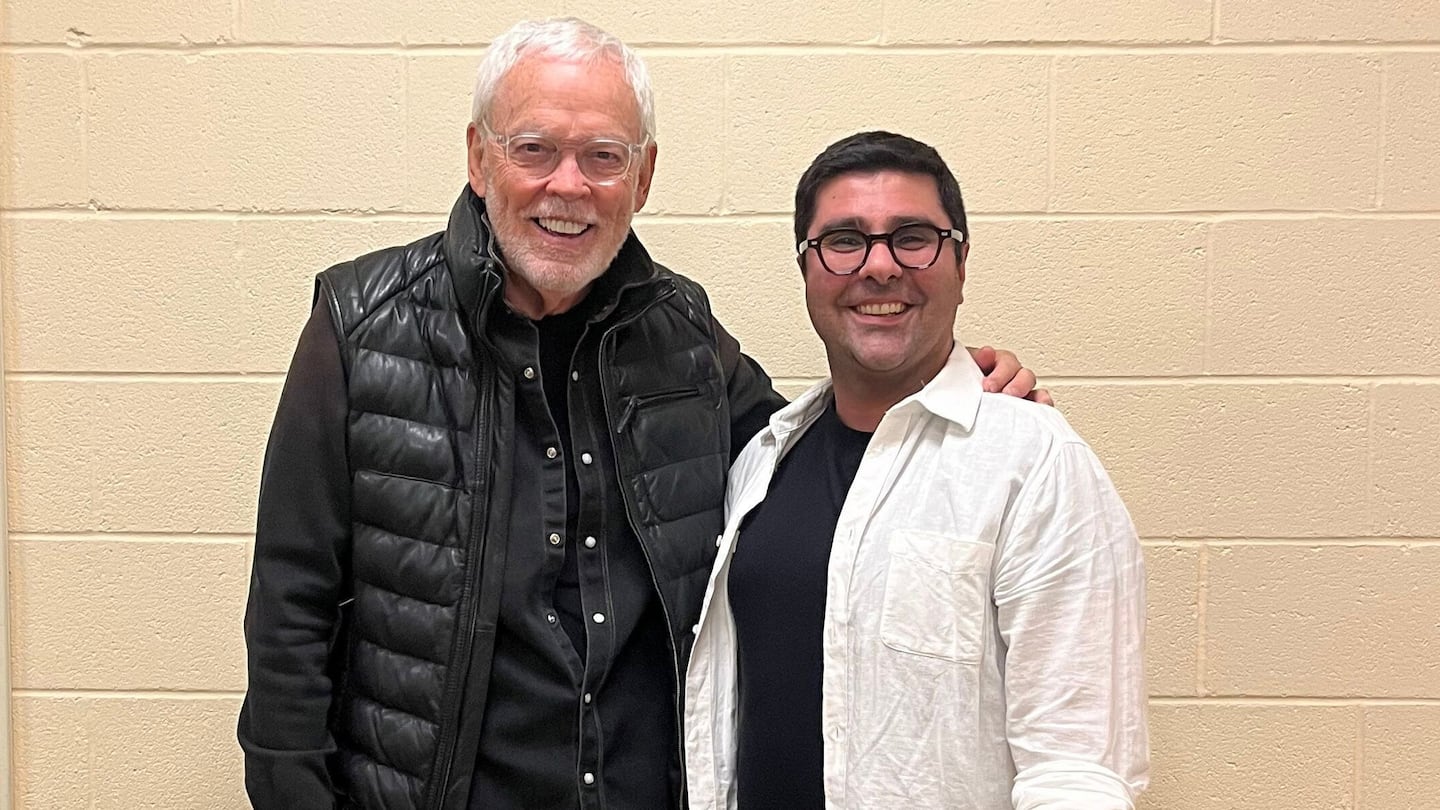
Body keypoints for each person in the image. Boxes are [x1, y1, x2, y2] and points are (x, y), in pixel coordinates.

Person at [238, 19, 1042, 810]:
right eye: (533, 150)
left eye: (602, 158)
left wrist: (943, 386)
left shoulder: (683, 334)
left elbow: (812, 456)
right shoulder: (360, 326)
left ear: (643, 177)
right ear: (480, 159)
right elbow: (291, 608)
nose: (568, 186)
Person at [683, 131, 1148, 809]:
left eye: (912, 237)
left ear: (959, 262)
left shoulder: (1034, 462)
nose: (880, 267)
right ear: (807, 270)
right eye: (844, 240)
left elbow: (1077, 767)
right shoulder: (759, 463)